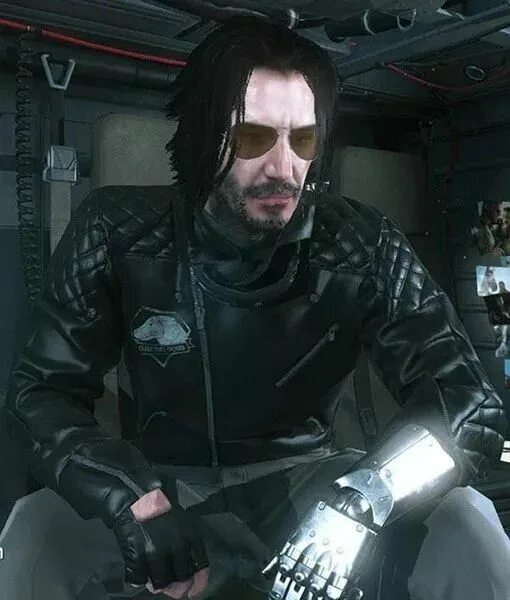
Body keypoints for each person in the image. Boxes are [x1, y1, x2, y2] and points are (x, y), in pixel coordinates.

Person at [2, 15, 510, 600]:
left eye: (303, 141)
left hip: (314, 483)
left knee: (468, 520)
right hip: (164, 485)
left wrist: (369, 493)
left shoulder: (363, 243)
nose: (283, 167)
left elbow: (470, 404)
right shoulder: (115, 228)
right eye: (252, 138)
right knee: (35, 529)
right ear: (204, 135)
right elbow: (40, 393)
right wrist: (128, 496)